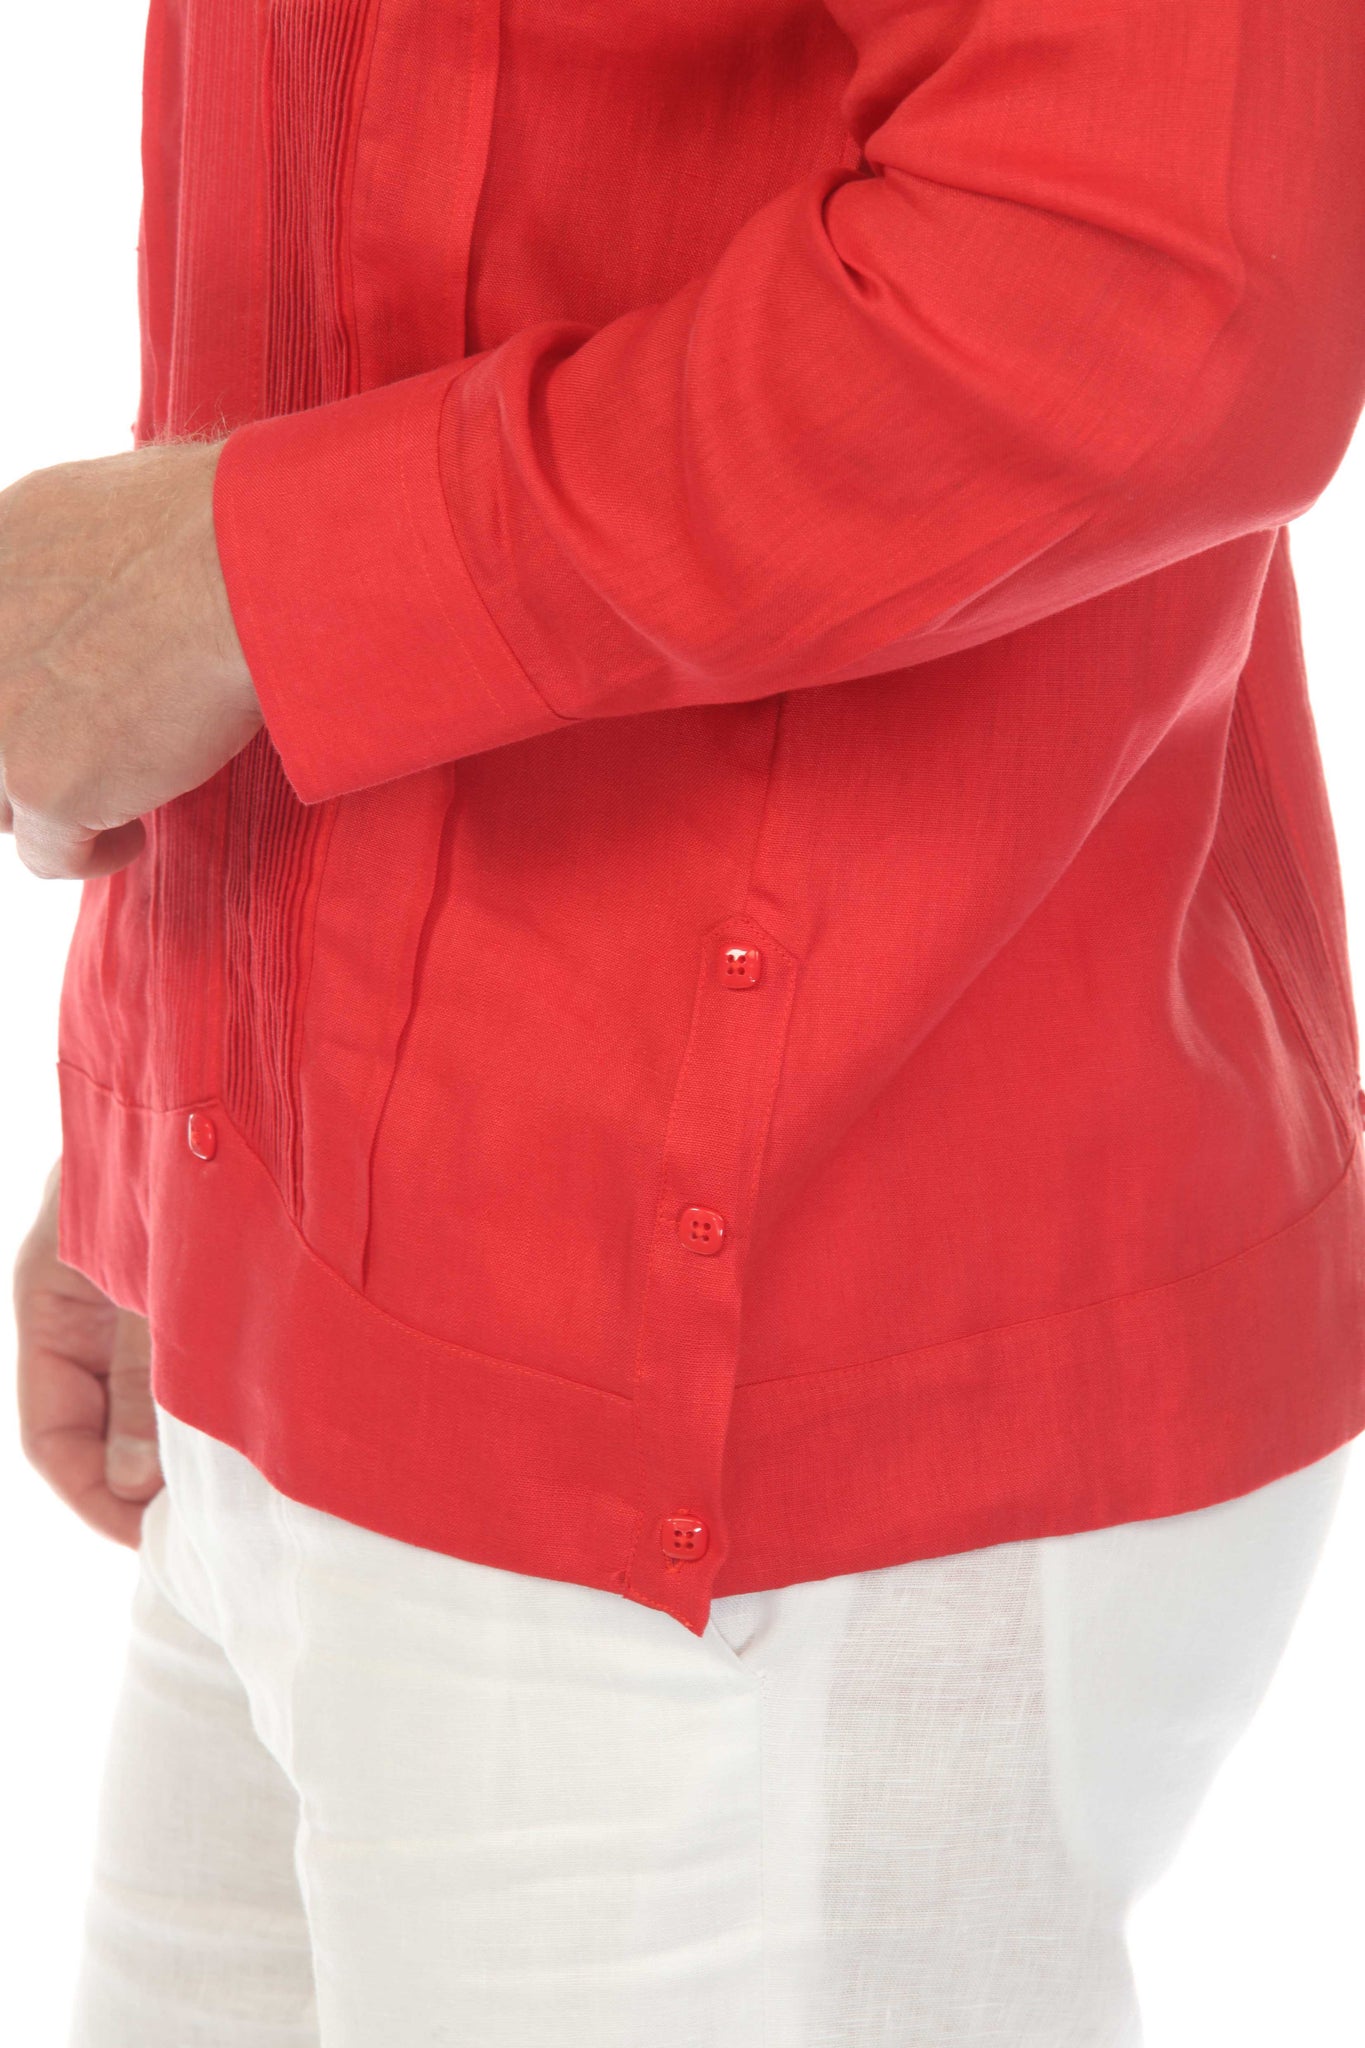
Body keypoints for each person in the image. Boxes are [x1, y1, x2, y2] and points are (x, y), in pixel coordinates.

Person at [5, 0, 1365, 2039]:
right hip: (329, 1312)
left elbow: (1147, 289)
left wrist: (227, 584)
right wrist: (196, 1109)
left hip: (763, 1380)